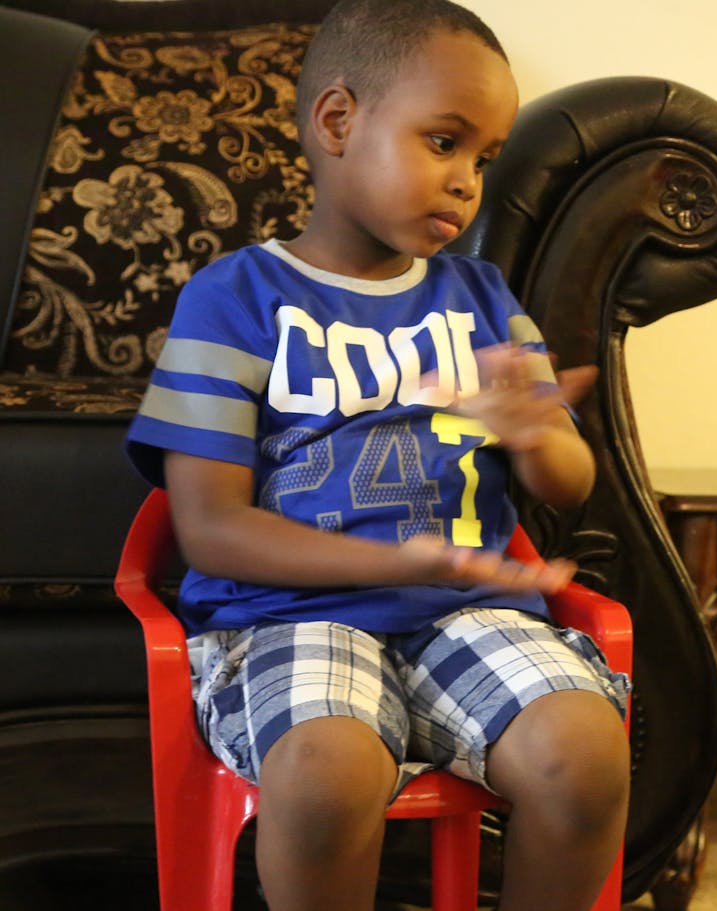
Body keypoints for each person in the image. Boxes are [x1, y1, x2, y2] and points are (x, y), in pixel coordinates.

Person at [123, 2, 631, 910]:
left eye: (483, 158)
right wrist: (398, 558)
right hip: (284, 615)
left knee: (586, 754)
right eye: (444, 142)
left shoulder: (481, 297)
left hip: (465, 613)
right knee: (327, 774)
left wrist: (540, 433)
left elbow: (571, 484)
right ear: (337, 121)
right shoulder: (234, 298)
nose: (468, 182)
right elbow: (210, 530)